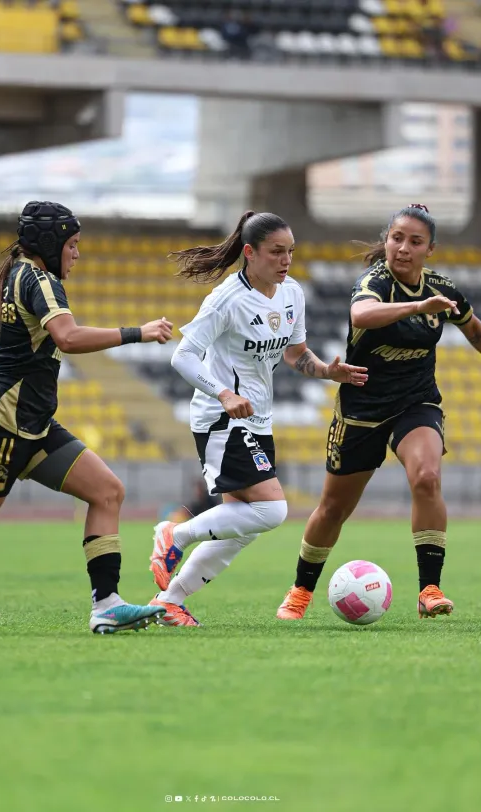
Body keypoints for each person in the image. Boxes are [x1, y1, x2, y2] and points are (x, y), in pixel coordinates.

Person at [0, 201, 173, 634]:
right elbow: (68, 336)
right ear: (51, 242)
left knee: (107, 492)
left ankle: (106, 605)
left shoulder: (13, 276)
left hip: (34, 428)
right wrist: (137, 332)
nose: (77, 254)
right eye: (73, 244)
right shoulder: (39, 280)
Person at [276, 204, 481, 621]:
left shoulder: (443, 289)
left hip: (416, 403)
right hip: (361, 410)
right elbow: (361, 314)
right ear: (386, 241)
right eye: (397, 238)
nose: (403, 248)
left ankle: (429, 588)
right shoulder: (376, 282)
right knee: (334, 508)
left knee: (427, 478)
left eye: (415, 242)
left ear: (431, 249)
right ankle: (301, 591)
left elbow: (476, 330)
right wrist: (416, 308)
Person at [147, 211, 368, 626]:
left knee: (243, 526)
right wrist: (224, 393)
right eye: (276, 252)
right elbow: (183, 356)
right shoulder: (226, 299)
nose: (285, 261)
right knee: (273, 510)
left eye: (290, 252)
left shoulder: (292, 295)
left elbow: (295, 354)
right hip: (220, 416)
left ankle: (169, 602)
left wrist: (326, 371)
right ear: (249, 253)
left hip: (258, 419)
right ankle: (175, 534)